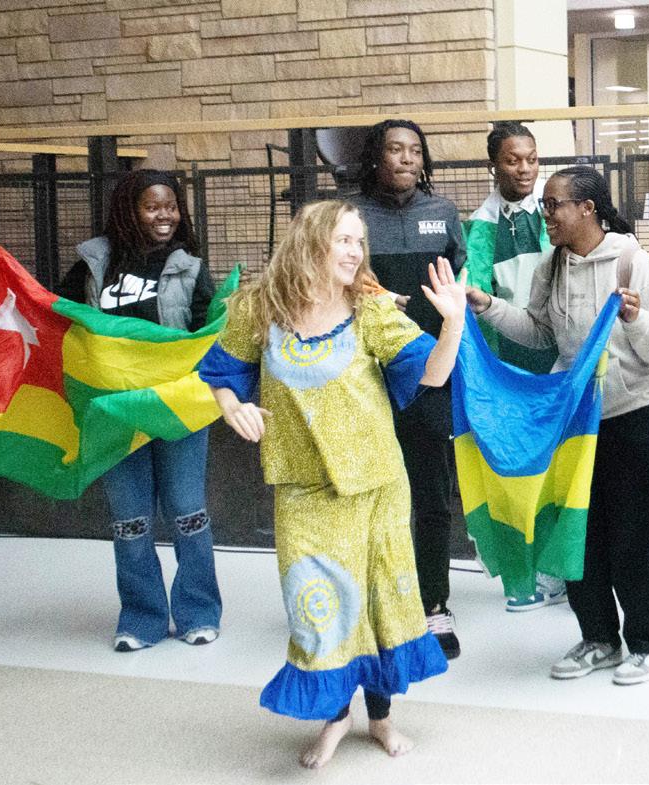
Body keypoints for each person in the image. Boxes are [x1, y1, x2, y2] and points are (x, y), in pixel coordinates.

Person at [198, 200, 465, 768]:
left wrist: (454, 324)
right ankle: (336, 717)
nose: (355, 251)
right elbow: (223, 372)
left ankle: (381, 718)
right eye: (344, 239)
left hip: (374, 483)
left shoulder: (370, 309)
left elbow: (433, 375)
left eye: (358, 242)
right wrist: (232, 407)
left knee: (380, 604)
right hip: (302, 487)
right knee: (315, 608)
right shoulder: (258, 308)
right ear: (310, 241)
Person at [467, 166, 649, 685]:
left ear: (588, 208)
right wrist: (488, 307)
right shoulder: (552, 264)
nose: (546, 215)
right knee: (578, 531)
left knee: (633, 533)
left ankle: (647, 643)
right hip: (576, 421)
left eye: (554, 205)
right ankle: (599, 639)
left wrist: (634, 319)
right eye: (545, 205)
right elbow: (540, 333)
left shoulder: (632, 262)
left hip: (635, 415)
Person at [43, 169, 223, 652]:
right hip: (114, 414)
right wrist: (4, 280)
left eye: (172, 206)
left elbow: (209, 332)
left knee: (187, 511)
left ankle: (199, 612)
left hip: (177, 409)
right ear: (128, 210)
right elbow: (53, 314)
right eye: (153, 206)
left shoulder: (189, 266)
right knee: (130, 519)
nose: (166, 216)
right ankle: (142, 618)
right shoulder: (93, 264)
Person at [349, 119, 466, 658]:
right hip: (366, 377)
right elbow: (329, 280)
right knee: (371, 495)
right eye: (395, 149)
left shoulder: (443, 213)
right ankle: (377, 605)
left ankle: (434, 604)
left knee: (432, 496)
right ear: (375, 157)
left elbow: (458, 282)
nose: (406, 159)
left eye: (415, 151)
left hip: (430, 374)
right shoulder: (350, 217)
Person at [463, 120, 568, 611]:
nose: (524, 169)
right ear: (493, 165)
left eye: (531, 158)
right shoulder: (480, 226)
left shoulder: (556, 213)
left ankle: (561, 565)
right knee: (519, 466)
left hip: (561, 356)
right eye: (512, 160)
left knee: (560, 465)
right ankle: (526, 569)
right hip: (509, 364)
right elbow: (475, 292)